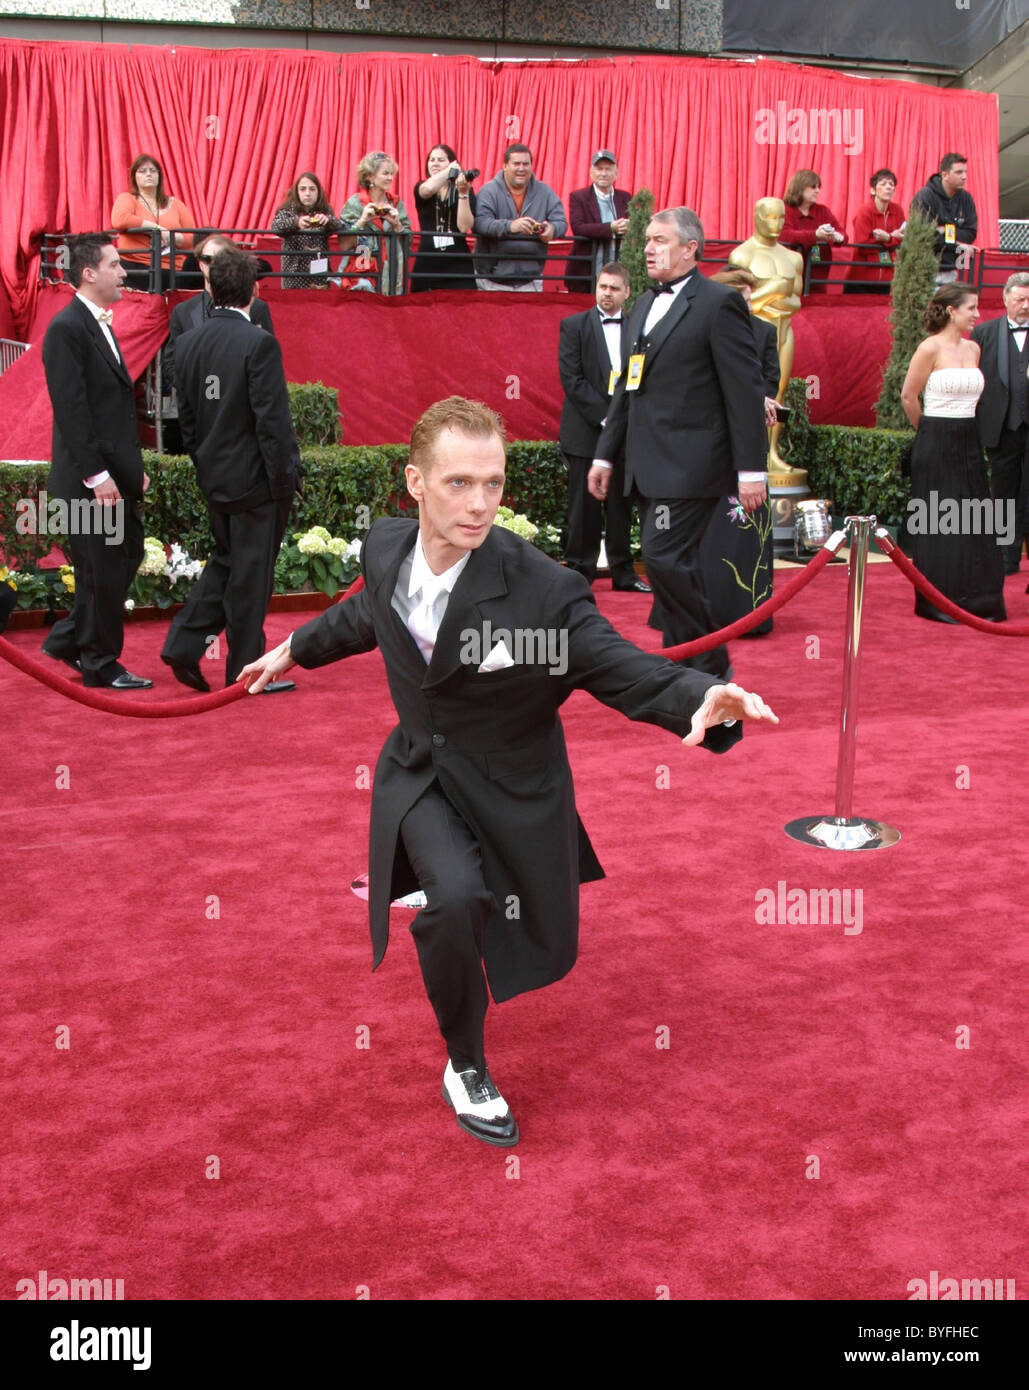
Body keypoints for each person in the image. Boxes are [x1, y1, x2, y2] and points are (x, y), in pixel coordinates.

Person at [237, 396, 779, 1146]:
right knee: (455, 901)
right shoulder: (385, 548)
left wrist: (698, 695)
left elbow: (612, 663)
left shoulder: (540, 591)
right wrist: (294, 647)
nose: (481, 502)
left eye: (493, 483)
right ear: (415, 484)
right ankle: (465, 1063)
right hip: (421, 769)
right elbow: (364, 616)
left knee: (515, 920)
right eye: (459, 483)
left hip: (514, 784)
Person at [589, 207, 769, 680]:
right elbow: (628, 387)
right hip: (647, 463)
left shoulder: (719, 303)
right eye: (647, 239)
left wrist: (752, 471)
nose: (648, 247)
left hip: (694, 463)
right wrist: (606, 453)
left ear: (691, 248)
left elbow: (744, 390)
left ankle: (709, 662)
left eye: (661, 240)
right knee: (669, 561)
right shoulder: (644, 306)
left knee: (664, 556)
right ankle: (686, 657)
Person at [160, 247, 301, 692]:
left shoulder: (186, 344)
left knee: (228, 563)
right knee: (251, 576)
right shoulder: (258, 342)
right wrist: (285, 482)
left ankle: (184, 644)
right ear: (253, 290)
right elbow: (272, 422)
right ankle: (246, 673)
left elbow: (186, 420)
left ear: (210, 288)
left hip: (215, 477)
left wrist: (205, 465)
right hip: (257, 483)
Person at [40, 234, 151, 689]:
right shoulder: (66, 328)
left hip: (111, 475)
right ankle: (99, 663)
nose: (124, 272)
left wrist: (130, 467)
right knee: (103, 569)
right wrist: (98, 475)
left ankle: (70, 638)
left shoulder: (97, 323)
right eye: (115, 264)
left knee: (128, 554)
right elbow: (71, 409)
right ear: (89, 273)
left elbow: (112, 409)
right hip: (88, 481)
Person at [900, 284, 1005, 623]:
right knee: (939, 519)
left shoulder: (974, 349)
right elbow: (908, 397)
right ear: (951, 311)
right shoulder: (929, 348)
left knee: (973, 516)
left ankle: (977, 598)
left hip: (969, 439)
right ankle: (939, 599)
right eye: (971, 308)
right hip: (935, 440)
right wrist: (927, 433)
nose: (977, 314)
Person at [558, 261, 650, 591]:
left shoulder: (639, 329)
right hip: (585, 430)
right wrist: (608, 416)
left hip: (625, 432)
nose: (606, 294)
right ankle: (580, 574)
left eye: (614, 288)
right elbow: (573, 380)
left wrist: (624, 419)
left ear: (627, 292)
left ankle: (623, 573)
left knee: (620, 505)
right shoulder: (574, 326)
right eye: (602, 287)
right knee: (583, 507)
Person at [705, 269, 780, 634]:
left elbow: (768, 378)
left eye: (750, 298)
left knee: (750, 524)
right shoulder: (703, 329)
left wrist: (762, 399)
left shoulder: (765, 332)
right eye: (741, 299)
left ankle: (750, 611)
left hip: (748, 442)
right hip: (711, 442)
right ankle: (708, 611)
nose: (747, 305)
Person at [971, 272, 1029, 575]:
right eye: (1020, 299)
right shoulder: (984, 334)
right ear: (1005, 298)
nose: (1025, 305)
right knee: (1003, 497)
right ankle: (1007, 560)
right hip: (1000, 429)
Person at [165, 233, 275, 392]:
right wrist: (198, 391)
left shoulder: (257, 308)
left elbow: (265, 360)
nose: (213, 265)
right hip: (198, 405)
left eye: (220, 259)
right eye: (207, 259)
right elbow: (171, 362)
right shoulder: (183, 312)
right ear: (200, 264)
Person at [473, 144, 567, 291]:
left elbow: (561, 222)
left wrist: (552, 230)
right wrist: (511, 226)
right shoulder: (488, 192)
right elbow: (480, 224)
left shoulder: (545, 192)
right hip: (492, 281)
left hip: (530, 281)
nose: (521, 168)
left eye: (526, 164)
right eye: (516, 164)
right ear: (504, 165)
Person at [110, 153, 195, 291]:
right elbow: (119, 220)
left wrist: (170, 237)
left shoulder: (175, 204)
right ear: (134, 177)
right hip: (136, 268)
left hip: (172, 269)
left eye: (152, 170)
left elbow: (192, 238)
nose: (148, 174)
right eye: (142, 171)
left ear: (159, 176)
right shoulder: (127, 199)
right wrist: (157, 229)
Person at [339, 153, 412, 295]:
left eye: (391, 174)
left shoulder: (396, 203)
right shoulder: (354, 204)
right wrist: (361, 222)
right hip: (362, 275)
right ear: (370, 176)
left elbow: (408, 243)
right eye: (385, 173)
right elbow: (344, 245)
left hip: (391, 274)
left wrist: (397, 226)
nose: (390, 178)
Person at [409, 145, 477, 291]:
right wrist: (449, 170)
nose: (435, 163)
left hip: (457, 263)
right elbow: (427, 190)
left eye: (441, 160)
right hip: (427, 261)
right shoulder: (422, 186)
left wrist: (463, 193)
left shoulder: (462, 188)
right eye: (431, 160)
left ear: (451, 162)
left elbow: (465, 227)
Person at [564, 150, 632, 293]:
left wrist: (629, 226)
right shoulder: (579, 197)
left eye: (608, 169)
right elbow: (578, 227)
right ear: (591, 172)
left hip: (618, 264)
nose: (603, 173)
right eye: (599, 169)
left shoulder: (625, 197)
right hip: (587, 268)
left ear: (616, 173)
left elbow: (632, 223)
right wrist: (610, 228)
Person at [910, 154, 977, 286]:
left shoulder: (966, 198)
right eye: (958, 172)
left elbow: (970, 234)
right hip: (924, 270)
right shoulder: (925, 197)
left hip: (953, 269)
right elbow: (926, 236)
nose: (964, 176)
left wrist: (944, 229)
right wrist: (957, 245)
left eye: (965, 172)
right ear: (945, 175)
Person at [270, 174, 345, 289]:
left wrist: (328, 221)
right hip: (294, 272)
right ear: (297, 191)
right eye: (303, 189)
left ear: (318, 192)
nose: (308, 193)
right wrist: (296, 223)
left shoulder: (324, 209)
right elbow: (275, 226)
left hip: (319, 273)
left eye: (312, 189)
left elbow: (339, 226)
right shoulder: (287, 209)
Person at [781, 170, 844, 291]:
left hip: (818, 272)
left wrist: (837, 236)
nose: (817, 191)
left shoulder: (823, 211)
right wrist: (815, 235)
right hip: (790, 272)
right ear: (799, 187)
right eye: (813, 187)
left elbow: (843, 234)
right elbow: (784, 235)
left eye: (818, 187)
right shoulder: (784, 209)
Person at [846, 169, 905, 295]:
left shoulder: (898, 210)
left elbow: (903, 238)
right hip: (861, 278)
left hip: (886, 278)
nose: (888, 187)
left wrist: (888, 238)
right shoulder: (865, 211)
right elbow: (862, 245)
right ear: (873, 190)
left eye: (891, 184)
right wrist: (890, 240)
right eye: (883, 184)